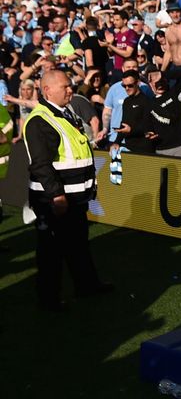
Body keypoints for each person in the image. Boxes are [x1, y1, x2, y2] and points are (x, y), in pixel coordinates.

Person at [23, 70, 112, 311]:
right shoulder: (40, 119)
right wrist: (56, 195)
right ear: (48, 90)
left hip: (75, 196)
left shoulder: (64, 113)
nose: (70, 90)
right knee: (51, 251)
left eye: (70, 86)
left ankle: (87, 285)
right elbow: (40, 164)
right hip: (54, 199)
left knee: (78, 243)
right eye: (65, 87)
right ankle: (49, 299)